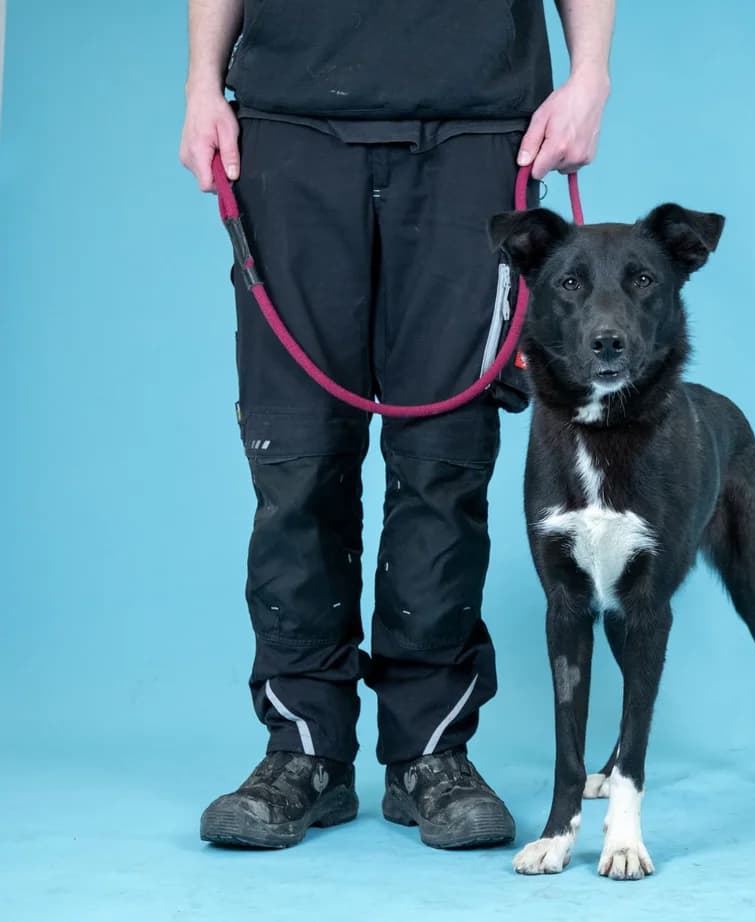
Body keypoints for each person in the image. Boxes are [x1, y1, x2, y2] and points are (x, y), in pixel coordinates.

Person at [179, 0, 613, 850]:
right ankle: (304, 753)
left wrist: (589, 71)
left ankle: (430, 753)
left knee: (447, 457)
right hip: (289, 121)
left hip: (480, 130)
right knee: (294, 451)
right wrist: (201, 80)